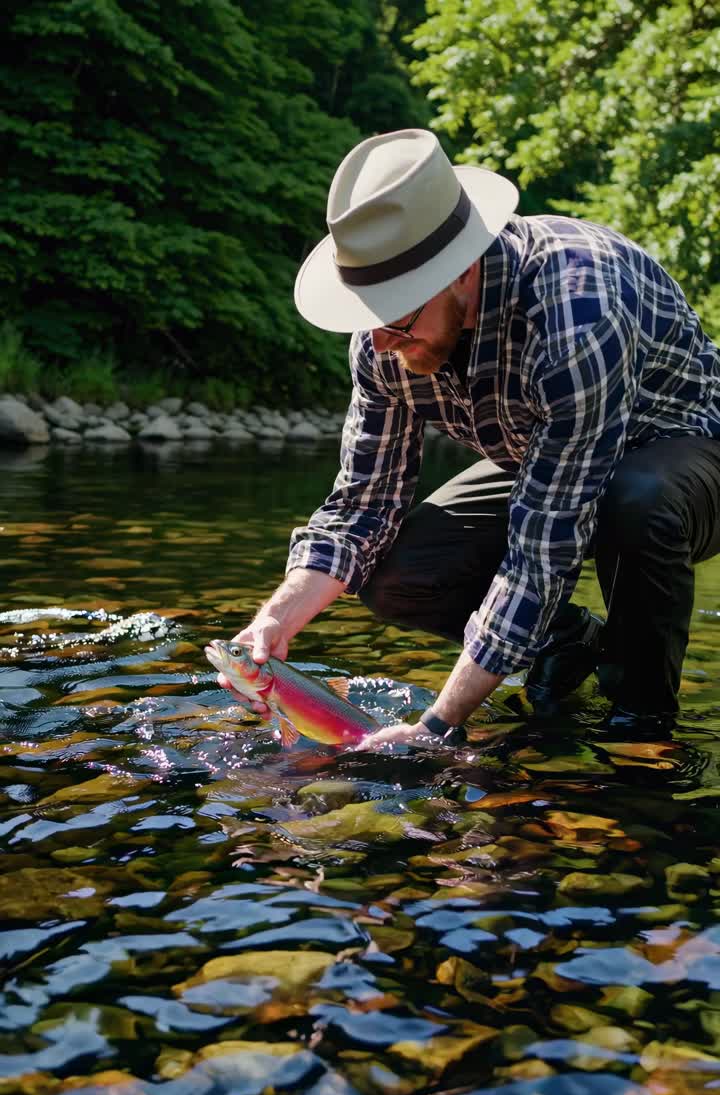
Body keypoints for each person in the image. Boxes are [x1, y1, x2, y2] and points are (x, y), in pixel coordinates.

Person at [219, 128, 720, 746]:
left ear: (462, 272)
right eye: (369, 317)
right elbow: (362, 506)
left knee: (634, 498)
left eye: (397, 318)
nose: (379, 344)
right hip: (547, 451)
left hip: (684, 453)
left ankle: (639, 728)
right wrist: (274, 619)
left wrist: (438, 726)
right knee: (397, 571)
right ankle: (567, 644)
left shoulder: (575, 310)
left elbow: (541, 549)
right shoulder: (384, 339)